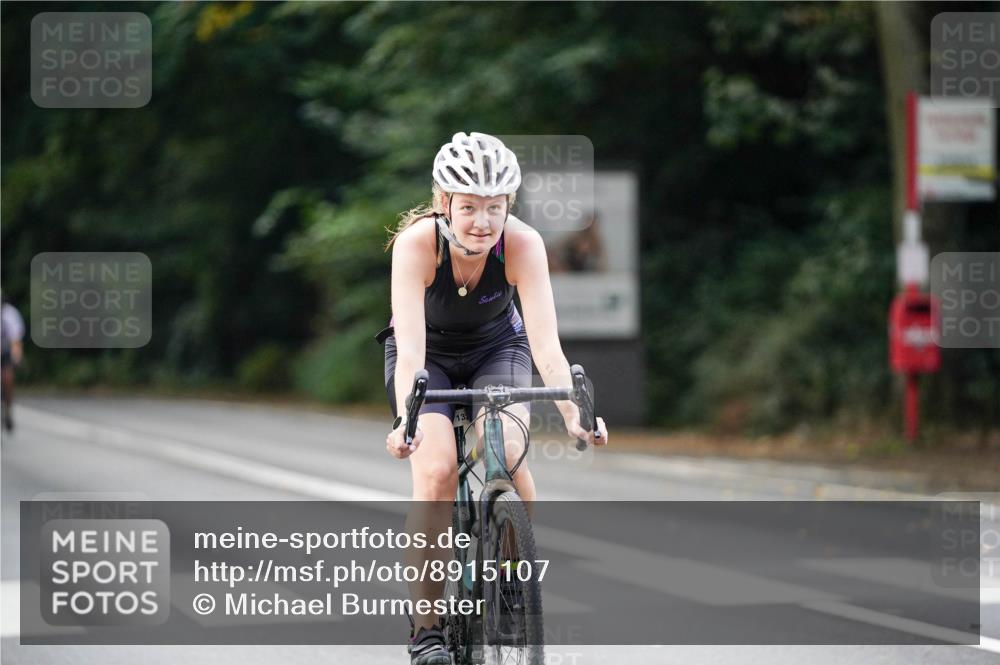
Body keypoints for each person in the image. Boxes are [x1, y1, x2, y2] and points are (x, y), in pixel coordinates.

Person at [376, 132, 609, 665]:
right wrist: (404, 422)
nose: (483, 221)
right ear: (444, 205)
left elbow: (545, 343)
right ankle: (426, 630)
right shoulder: (417, 244)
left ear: (509, 207)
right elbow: (409, 349)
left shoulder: (523, 244)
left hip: (496, 350)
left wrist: (574, 415)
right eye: (470, 208)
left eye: (495, 208)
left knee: (508, 448)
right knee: (435, 473)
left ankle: (510, 575)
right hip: (427, 358)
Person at [1, 290, 26, 432]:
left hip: (5, 351)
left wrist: (17, 356)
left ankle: (8, 409)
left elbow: (16, 340)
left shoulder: (10, 314)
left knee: (8, 377)